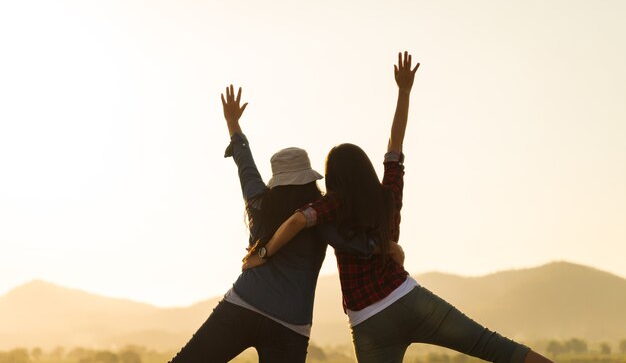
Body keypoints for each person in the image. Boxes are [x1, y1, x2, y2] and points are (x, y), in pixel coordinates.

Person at [243, 52, 553, 363]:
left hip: (367, 322)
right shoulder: (389, 193)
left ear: (334, 177)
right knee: (493, 346)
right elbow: (395, 144)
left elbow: (298, 220)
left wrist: (262, 254)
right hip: (408, 298)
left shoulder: (333, 204)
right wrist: (404, 92)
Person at [169, 85, 399, 363]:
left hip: (243, 303)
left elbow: (246, 165)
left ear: (277, 180)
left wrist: (233, 124)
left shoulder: (259, 202)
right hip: (290, 325)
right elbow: (351, 242)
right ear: (310, 179)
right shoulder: (320, 216)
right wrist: (385, 247)